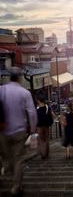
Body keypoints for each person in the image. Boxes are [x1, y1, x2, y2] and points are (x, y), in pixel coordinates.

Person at [0, 67, 37, 197]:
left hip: (3, 131)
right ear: (20, 78)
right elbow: (32, 113)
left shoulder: (2, 90)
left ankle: (7, 169)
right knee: (19, 159)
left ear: (9, 77)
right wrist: (32, 130)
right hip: (20, 131)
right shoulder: (24, 92)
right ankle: (16, 186)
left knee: (7, 157)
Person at [36, 91, 54, 159]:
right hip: (46, 125)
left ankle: (42, 154)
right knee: (46, 139)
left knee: (41, 140)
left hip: (39, 126)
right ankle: (47, 154)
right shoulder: (47, 107)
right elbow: (53, 115)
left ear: (38, 100)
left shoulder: (37, 109)